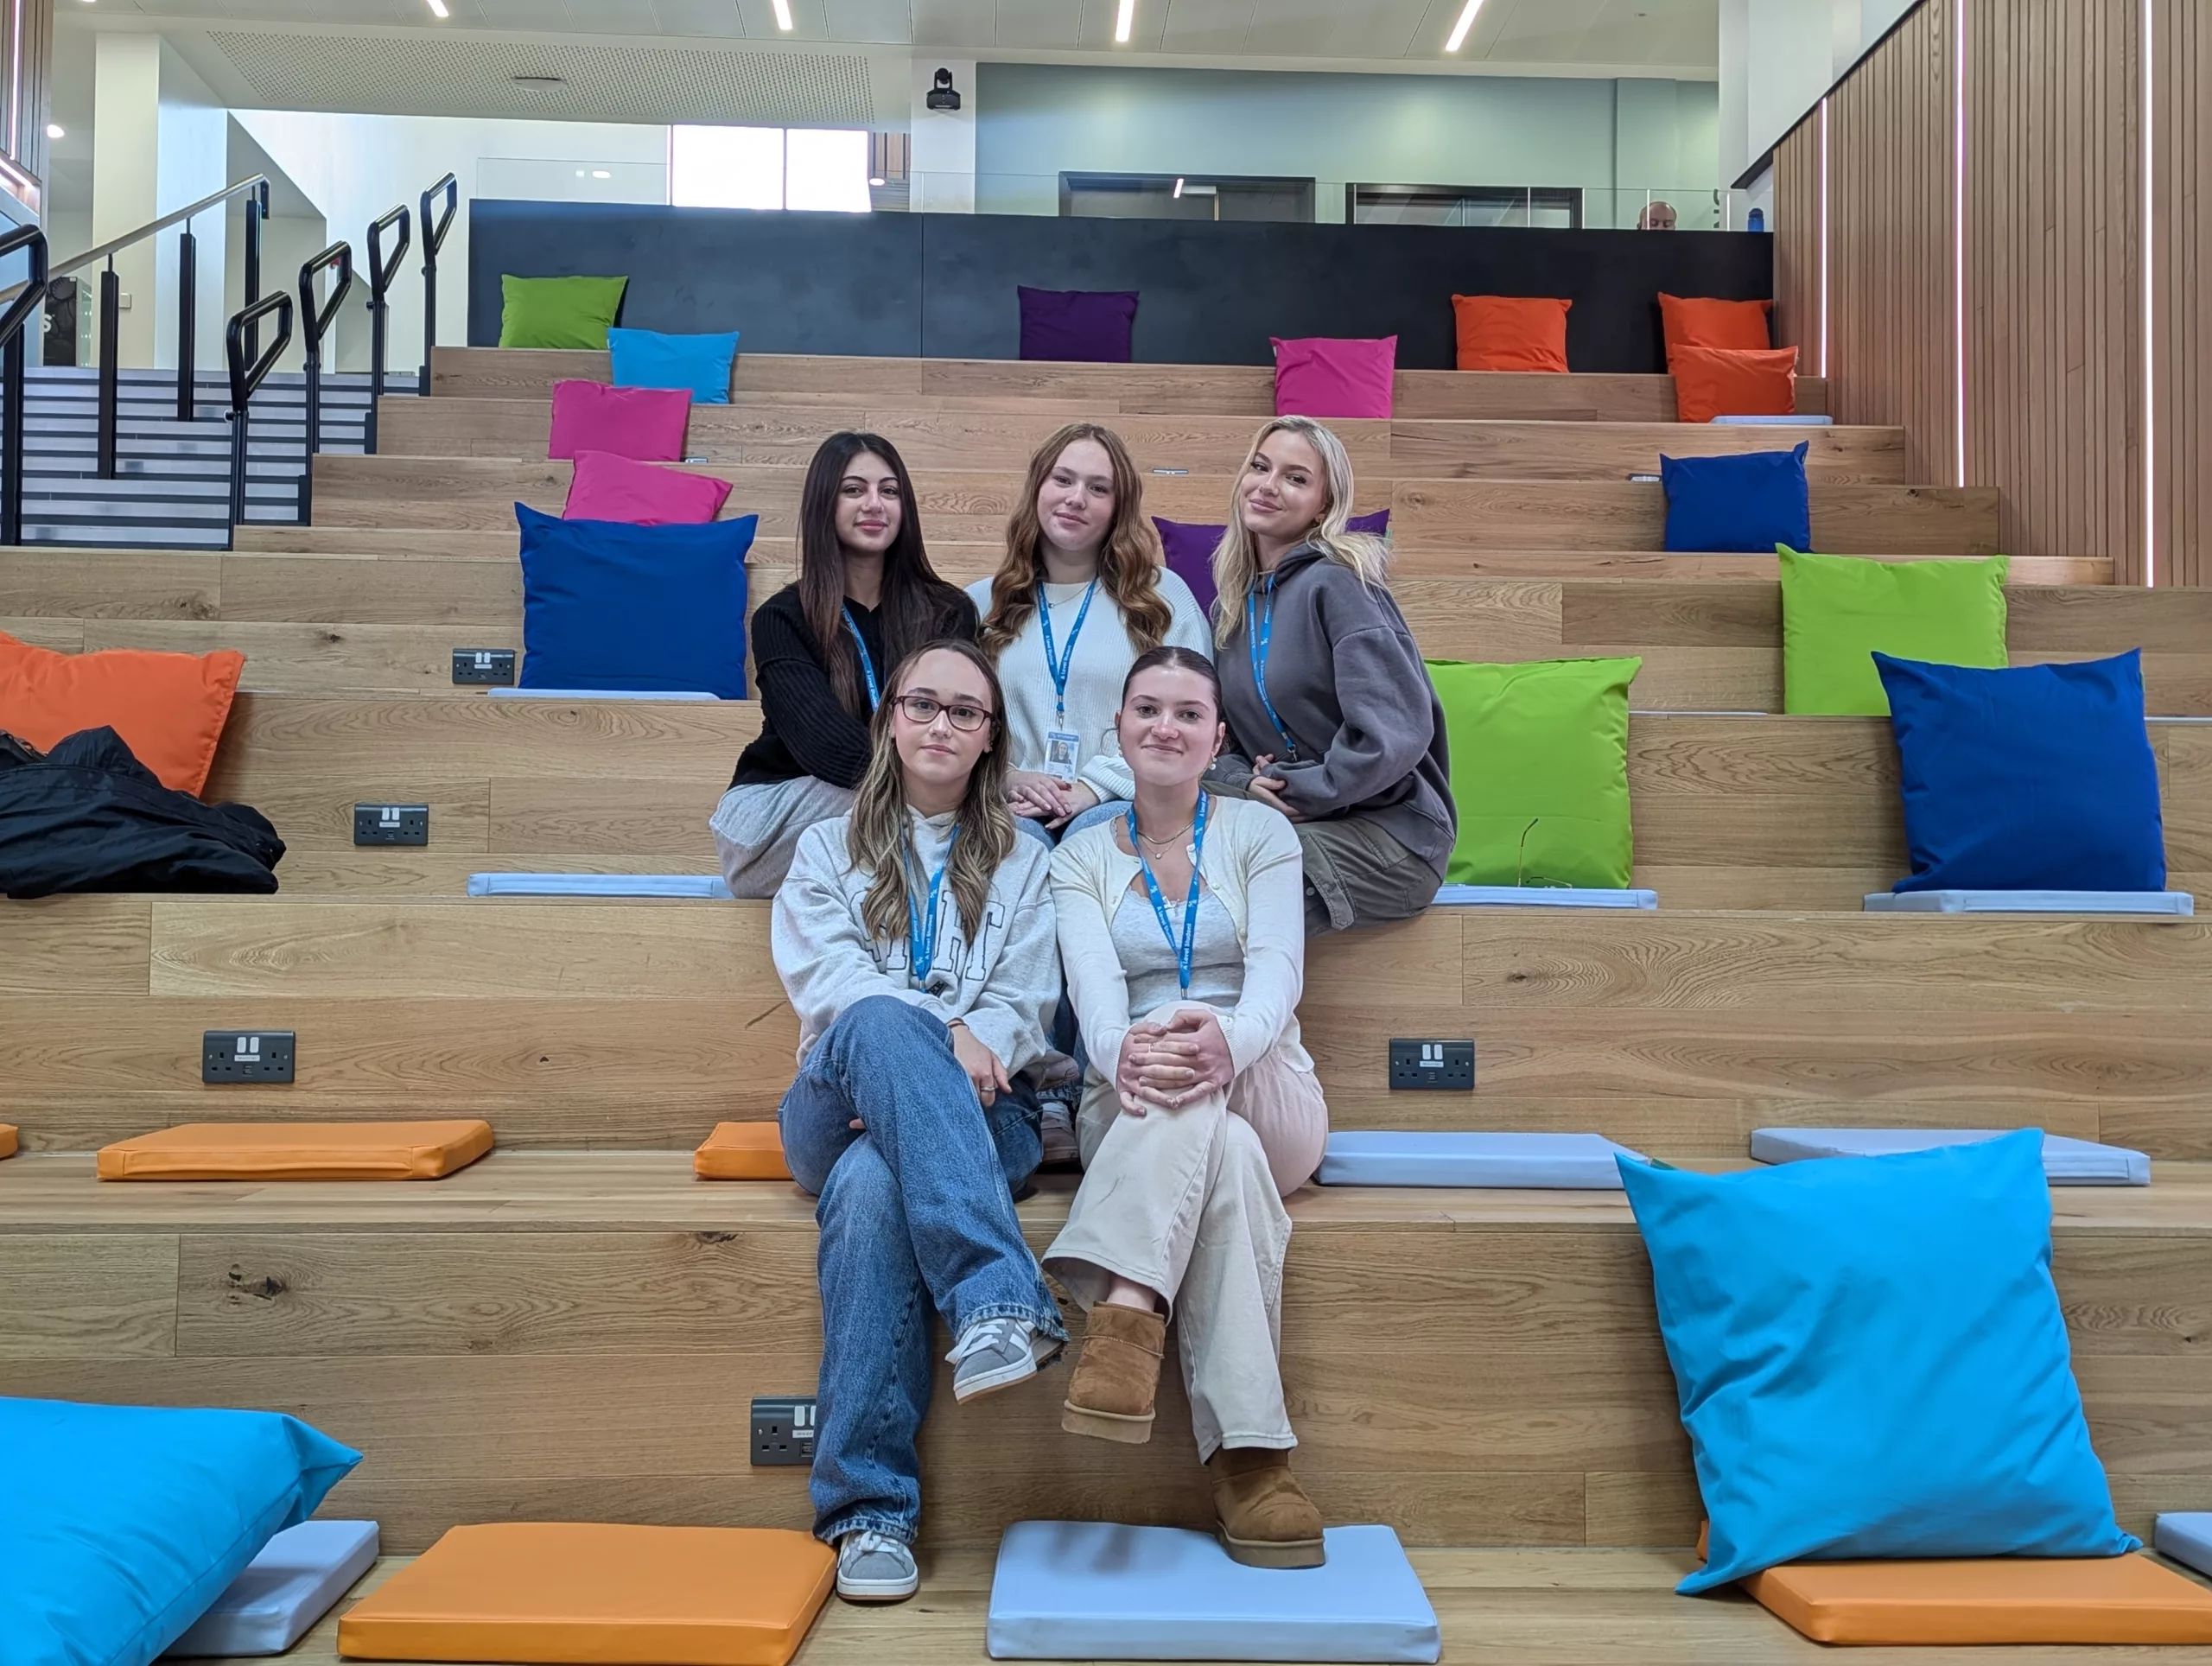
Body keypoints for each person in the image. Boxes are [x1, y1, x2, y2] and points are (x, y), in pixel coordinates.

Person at [771, 637, 1067, 1605]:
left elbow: (1028, 1000)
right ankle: (995, 1297)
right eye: (923, 705)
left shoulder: (1028, 861)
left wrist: (974, 1043)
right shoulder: (824, 848)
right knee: (874, 1014)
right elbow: (832, 983)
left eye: (966, 713)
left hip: (992, 1110)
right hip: (836, 1101)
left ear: (990, 740)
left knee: (870, 1189)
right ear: (891, 717)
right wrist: (945, 1031)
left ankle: (867, 1515)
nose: (942, 725)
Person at [1044, 646, 1331, 1570]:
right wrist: (1121, 1046)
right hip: (1130, 1092)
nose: (1165, 726)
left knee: (1216, 1073)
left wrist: (1225, 1038)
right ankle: (1253, 1463)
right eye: (1146, 709)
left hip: (1265, 1075)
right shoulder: (1081, 852)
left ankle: (1127, 1303)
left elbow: (1280, 971)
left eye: (1188, 713)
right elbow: (1092, 992)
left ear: (1216, 739)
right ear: (1119, 728)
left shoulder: (1259, 833)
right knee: (1228, 1155)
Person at [1209, 416, 1454, 934]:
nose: (1268, 485)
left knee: (1233, 873)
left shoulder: (1340, 585)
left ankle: (1227, 1019)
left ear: (1323, 504)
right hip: (1292, 818)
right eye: (1260, 467)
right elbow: (1218, 744)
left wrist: (1301, 789)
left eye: (1296, 478)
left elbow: (1394, 733)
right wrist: (1247, 782)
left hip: (1390, 836)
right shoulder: (1228, 610)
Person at [712, 431, 977, 895]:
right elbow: (824, 745)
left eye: (889, 491)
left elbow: (960, 720)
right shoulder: (783, 616)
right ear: (824, 504)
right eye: (854, 490)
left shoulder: (949, 611)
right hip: (786, 809)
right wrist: (935, 779)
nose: (874, 504)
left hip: (907, 803)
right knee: (940, 802)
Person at [969, 422, 1211, 848]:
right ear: (1037, 488)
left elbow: (1194, 719)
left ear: (1119, 508)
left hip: (1126, 798)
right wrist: (1007, 778)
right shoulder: (981, 603)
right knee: (1015, 843)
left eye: (1099, 489)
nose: (1076, 498)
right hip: (1012, 804)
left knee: (1099, 834)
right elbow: (958, 721)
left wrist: (1096, 787)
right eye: (1062, 479)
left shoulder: (1163, 596)